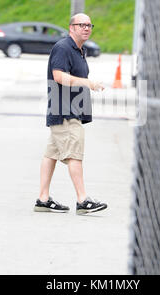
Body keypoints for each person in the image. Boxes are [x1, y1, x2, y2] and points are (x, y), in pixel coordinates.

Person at [34, 13, 108, 215]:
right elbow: (58, 76)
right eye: (81, 25)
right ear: (71, 28)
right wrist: (88, 83)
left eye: (89, 25)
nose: (86, 28)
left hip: (69, 110)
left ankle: (43, 199)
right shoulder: (63, 47)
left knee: (51, 154)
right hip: (65, 112)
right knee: (74, 154)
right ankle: (83, 200)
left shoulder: (79, 50)